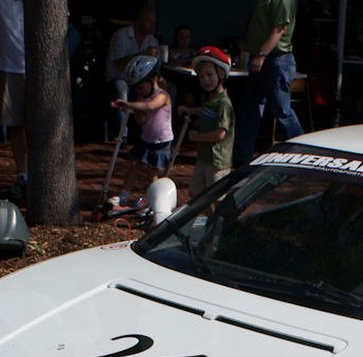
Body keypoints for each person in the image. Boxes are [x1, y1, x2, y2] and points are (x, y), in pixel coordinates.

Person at [232, 0, 302, 167]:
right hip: (262, 60)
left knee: (282, 110)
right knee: (250, 108)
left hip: (275, 61)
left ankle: (303, 150)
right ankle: (242, 156)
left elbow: (279, 29)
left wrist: (262, 54)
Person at [111, 55, 172, 210]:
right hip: (146, 138)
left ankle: (153, 201)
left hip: (160, 141)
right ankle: (123, 197)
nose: (140, 91)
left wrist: (130, 104)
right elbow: (141, 121)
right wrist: (131, 109)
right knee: (134, 165)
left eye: (141, 87)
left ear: (152, 81)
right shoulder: (142, 97)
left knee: (152, 172)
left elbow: (151, 106)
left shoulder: (162, 96)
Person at [179, 46, 235, 197]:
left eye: (209, 75)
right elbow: (205, 111)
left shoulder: (223, 103)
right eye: (201, 77)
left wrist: (196, 136)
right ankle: (210, 219)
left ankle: (219, 220)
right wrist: (189, 110)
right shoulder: (211, 99)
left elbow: (220, 134)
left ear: (221, 74)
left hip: (217, 160)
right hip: (204, 157)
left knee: (215, 196)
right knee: (196, 192)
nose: (205, 80)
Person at [0, 0, 26, 200]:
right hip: (8, 66)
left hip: (40, 69)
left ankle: (39, 174)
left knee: (39, 125)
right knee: (16, 124)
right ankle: (23, 174)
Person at [104, 5, 158, 139]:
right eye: (148, 21)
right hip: (119, 79)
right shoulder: (121, 36)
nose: (152, 26)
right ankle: (122, 135)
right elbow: (120, 65)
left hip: (141, 82)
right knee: (120, 88)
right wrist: (142, 54)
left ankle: (154, 133)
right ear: (138, 20)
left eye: (153, 23)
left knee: (164, 89)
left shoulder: (152, 41)